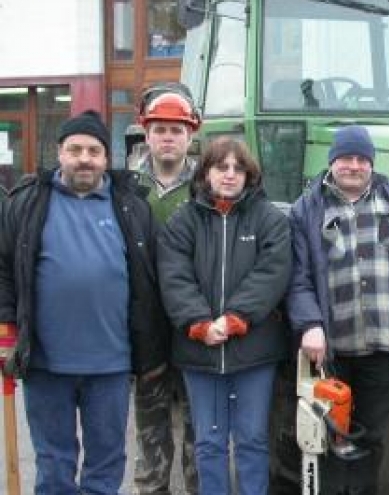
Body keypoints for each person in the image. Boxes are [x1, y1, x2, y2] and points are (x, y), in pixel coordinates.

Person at [0, 109, 168, 494]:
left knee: (106, 465)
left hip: (110, 363)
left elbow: (150, 283)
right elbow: (4, 269)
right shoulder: (26, 202)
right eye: (74, 149)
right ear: (59, 153)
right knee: (54, 466)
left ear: (107, 158)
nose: (84, 158)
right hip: (45, 362)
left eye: (93, 150)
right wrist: (7, 328)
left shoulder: (132, 207)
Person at [287, 124, 389, 494]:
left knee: (372, 435)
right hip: (331, 349)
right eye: (345, 158)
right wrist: (310, 324)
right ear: (332, 161)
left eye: (361, 159)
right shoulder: (307, 208)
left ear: (371, 163)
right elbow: (298, 276)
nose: (353, 166)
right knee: (329, 435)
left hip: (383, 346)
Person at [156, 137, 292, 495]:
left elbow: (272, 273)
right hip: (199, 351)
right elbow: (174, 277)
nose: (230, 175)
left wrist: (235, 318)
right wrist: (199, 324)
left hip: (254, 351)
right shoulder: (182, 222)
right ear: (206, 173)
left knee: (251, 440)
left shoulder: (270, 220)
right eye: (221, 167)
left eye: (238, 168)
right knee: (209, 443)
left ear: (250, 175)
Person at [133, 82, 202, 495]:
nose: (168, 138)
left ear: (190, 135)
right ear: (146, 133)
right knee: (150, 427)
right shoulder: (128, 188)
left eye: (176, 130)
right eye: (160, 129)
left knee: (200, 427)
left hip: (194, 322)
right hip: (147, 323)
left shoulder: (208, 186)